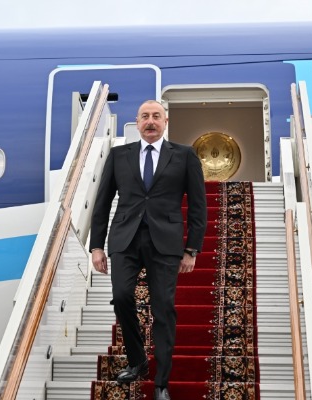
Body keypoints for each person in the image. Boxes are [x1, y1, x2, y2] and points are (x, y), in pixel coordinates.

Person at [89, 100, 207, 400]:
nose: (150, 121)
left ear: (165, 122)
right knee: (121, 296)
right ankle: (138, 360)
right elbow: (102, 203)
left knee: (163, 309)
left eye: (156, 116)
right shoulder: (119, 155)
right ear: (137, 122)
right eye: (145, 117)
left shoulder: (184, 155)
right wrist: (96, 246)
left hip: (165, 242)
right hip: (125, 239)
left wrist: (192, 249)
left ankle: (161, 383)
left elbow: (198, 206)